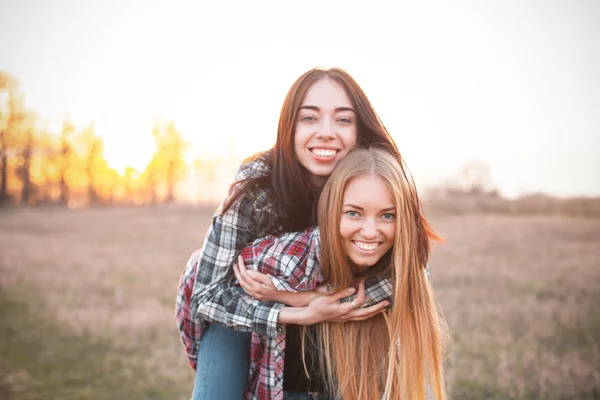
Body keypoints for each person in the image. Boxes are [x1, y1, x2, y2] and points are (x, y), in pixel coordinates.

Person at [176, 67, 401, 400]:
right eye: (309, 119)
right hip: (258, 338)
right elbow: (207, 294)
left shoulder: (378, 178)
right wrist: (296, 313)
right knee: (218, 304)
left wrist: (298, 296)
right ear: (289, 127)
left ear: (359, 130)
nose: (326, 133)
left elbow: (409, 274)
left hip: (343, 350)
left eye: (342, 120)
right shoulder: (258, 186)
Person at [234, 147, 447, 400]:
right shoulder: (295, 254)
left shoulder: (407, 266)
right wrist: (293, 310)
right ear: (332, 212)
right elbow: (213, 283)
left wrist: (297, 299)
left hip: (365, 388)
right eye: (353, 213)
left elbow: (388, 289)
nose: (369, 231)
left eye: (387, 215)